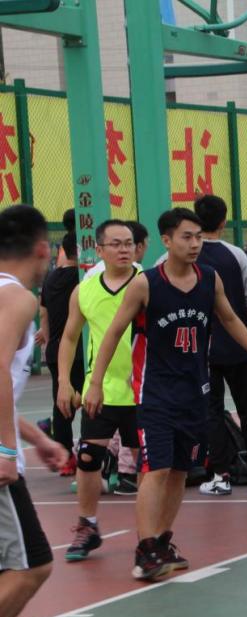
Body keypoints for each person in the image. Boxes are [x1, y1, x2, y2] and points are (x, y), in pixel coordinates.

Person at [83, 208, 247, 581]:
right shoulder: (146, 285)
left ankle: (162, 540)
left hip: (196, 392)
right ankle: (145, 549)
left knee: (179, 470)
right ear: (167, 240)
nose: (195, 244)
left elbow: (230, 319)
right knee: (155, 469)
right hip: (155, 393)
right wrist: (95, 383)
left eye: (199, 236)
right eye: (187, 237)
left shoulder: (209, 279)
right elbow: (113, 333)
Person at [0, 205, 69, 617]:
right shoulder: (17, 297)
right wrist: (7, 450)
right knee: (31, 567)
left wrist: (37, 439)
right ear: (43, 249)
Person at [56, 220, 141, 561]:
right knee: (89, 457)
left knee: (151, 464)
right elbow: (69, 337)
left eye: (129, 243)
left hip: (144, 389)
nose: (124, 249)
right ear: (99, 249)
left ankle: (152, 533)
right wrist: (65, 382)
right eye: (116, 244)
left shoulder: (148, 284)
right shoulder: (85, 290)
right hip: (100, 390)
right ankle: (87, 526)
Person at [189, 195, 247, 496]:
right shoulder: (236, 255)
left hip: (201, 351)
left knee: (212, 411)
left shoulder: (179, 258)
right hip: (238, 346)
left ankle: (220, 474)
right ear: (224, 221)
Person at [38, 231, 85, 467]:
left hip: (55, 349)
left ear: (63, 250)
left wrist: (48, 343)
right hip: (79, 348)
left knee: (62, 403)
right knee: (86, 401)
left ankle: (65, 456)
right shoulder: (84, 278)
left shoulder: (50, 278)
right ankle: (86, 453)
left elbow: (43, 314)